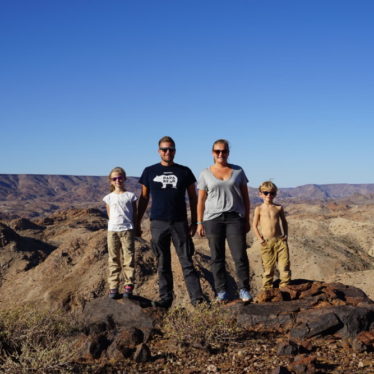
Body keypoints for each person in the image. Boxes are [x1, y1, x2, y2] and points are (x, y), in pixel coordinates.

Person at [136, 136, 204, 308]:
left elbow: (193, 197)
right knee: (162, 262)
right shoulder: (149, 171)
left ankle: (197, 300)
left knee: (187, 262)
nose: (168, 152)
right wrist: (137, 221)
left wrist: (195, 221)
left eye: (171, 149)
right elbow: (144, 197)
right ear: (159, 151)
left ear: (175, 151)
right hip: (158, 222)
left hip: (180, 222)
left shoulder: (184, 171)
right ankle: (166, 299)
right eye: (164, 149)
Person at [197, 139, 252, 302]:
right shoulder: (205, 173)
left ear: (228, 152)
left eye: (224, 151)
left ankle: (244, 289)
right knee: (216, 257)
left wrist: (247, 218)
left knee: (239, 255)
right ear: (212, 153)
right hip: (212, 219)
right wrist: (199, 222)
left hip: (234, 217)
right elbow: (200, 200)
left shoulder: (238, 171)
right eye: (217, 151)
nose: (220, 154)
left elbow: (246, 197)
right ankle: (221, 291)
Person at [103, 166, 137, 299]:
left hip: (127, 229)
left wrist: (136, 227)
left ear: (124, 179)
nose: (118, 180)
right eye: (114, 178)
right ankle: (113, 286)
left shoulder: (131, 196)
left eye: (120, 178)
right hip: (112, 230)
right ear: (111, 181)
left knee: (128, 258)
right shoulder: (108, 198)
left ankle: (128, 284)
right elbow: (109, 214)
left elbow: (134, 213)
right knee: (113, 258)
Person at [252, 181, 291, 290]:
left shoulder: (279, 208)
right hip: (266, 242)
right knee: (268, 269)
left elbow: (284, 222)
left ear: (275, 194)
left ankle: (285, 287)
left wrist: (286, 235)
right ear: (260, 194)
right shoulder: (258, 209)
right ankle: (267, 290)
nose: (269, 195)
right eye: (265, 193)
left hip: (280, 241)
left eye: (272, 193)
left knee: (284, 266)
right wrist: (260, 239)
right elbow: (254, 225)